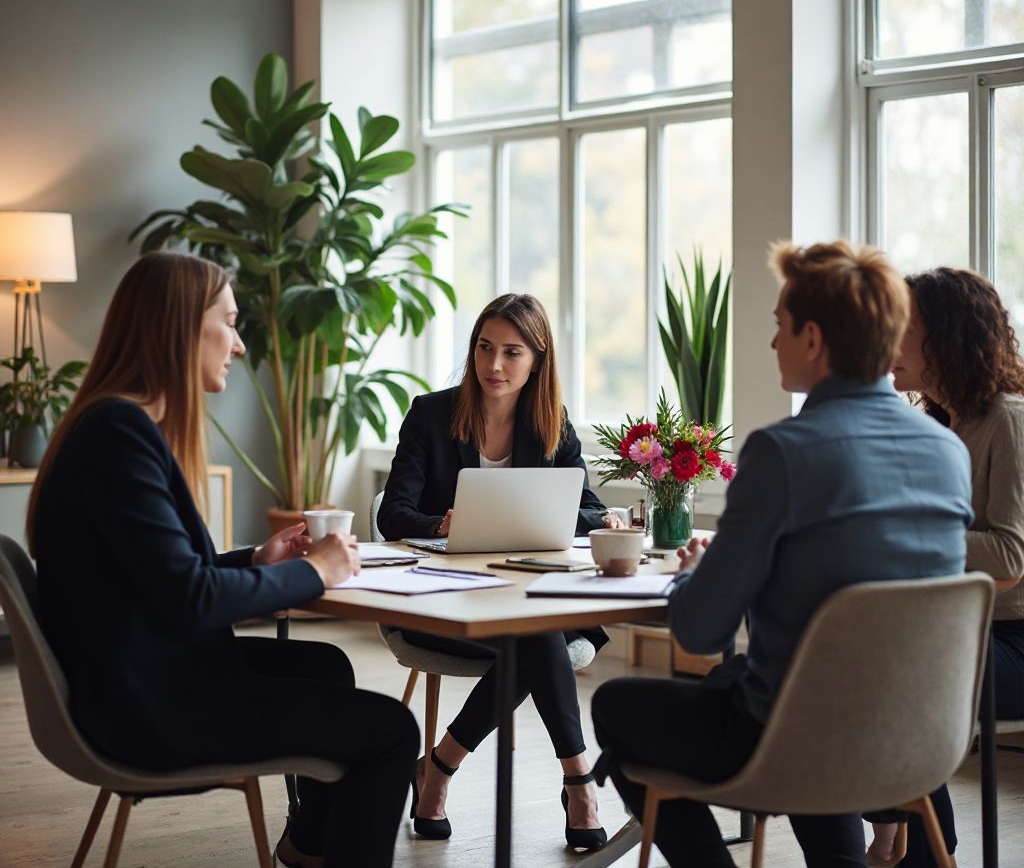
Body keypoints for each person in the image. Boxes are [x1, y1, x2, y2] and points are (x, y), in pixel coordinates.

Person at [591, 240, 974, 868]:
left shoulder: (783, 452)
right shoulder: (947, 451)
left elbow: (701, 627)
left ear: (814, 340)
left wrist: (697, 577)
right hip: (918, 739)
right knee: (793, 697)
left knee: (617, 704)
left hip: (794, 739)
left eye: (779, 328)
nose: (772, 344)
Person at [29, 251, 419, 868]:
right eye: (230, 322)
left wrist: (258, 561)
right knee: (393, 733)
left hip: (138, 674)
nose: (238, 345)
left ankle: (310, 848)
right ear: (182, 327)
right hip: (146, 710)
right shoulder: (119, 435)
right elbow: (190, 599)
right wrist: (314, 572)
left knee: (323, 666)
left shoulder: (116, 425)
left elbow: (166, 575)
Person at [377, 292, 619, 851]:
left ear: (537, 361)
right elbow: (393, 514)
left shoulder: (551, 423)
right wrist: (442, 524)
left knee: (531, 629)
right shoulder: (431, 415)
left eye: (512, 353)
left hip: (524, 604)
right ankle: (579, 780)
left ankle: (438, 767)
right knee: (539, 634)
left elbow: (584, 506)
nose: (494, 365)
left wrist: (591, 516)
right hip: (444, 602)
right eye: (485, 348)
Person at [866, 266, 1024, 868]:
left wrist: (907, 531)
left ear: (946, 337)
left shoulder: (1009, 419)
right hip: (957, 629)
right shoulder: (939, 423)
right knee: (844, 661)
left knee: (893, 678)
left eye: (900, 327)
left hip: (1012, 637)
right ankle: (904, 836)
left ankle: (921, 849)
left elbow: (1010, 558)